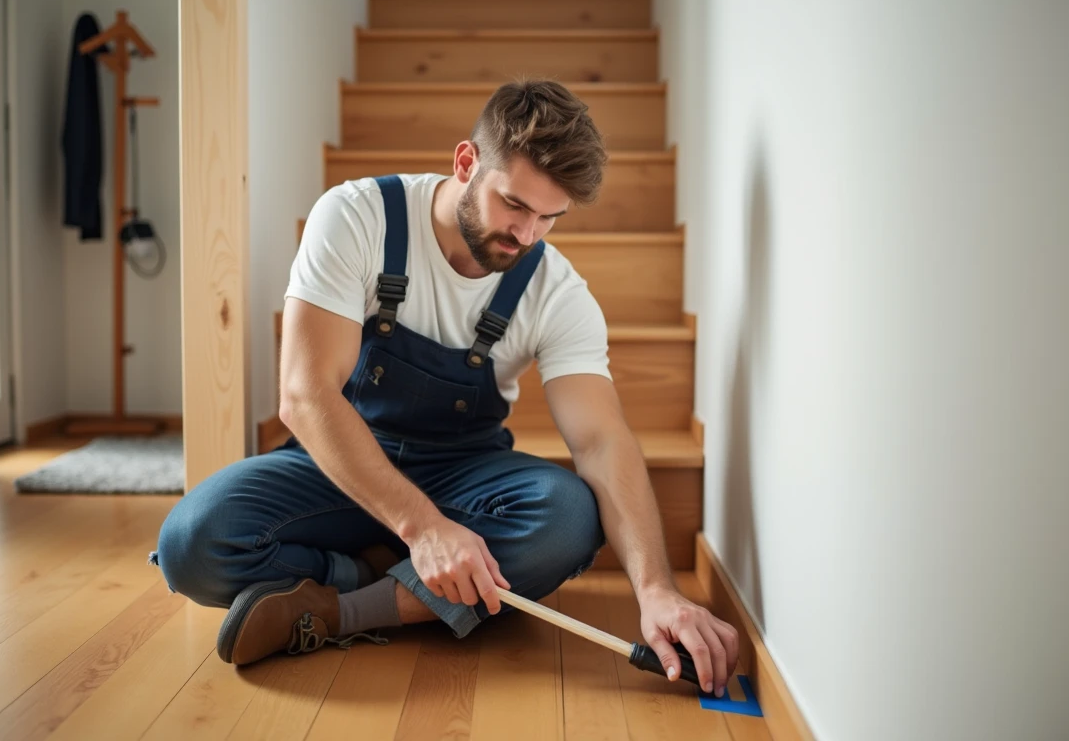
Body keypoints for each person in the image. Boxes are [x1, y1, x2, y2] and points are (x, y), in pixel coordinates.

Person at [149, 78, 739, 697]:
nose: (528, 235)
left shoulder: (557, 292)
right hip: (342, 462)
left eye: (549, 217)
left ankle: (337, 611)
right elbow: (305, 396)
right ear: (466, 163)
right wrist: (422, 530)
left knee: (565, 517)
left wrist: (656, 590)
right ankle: (376, 573)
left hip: (464, 473)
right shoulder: (356, 216)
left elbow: (601, 441)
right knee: (193, 543)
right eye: (514, 204)